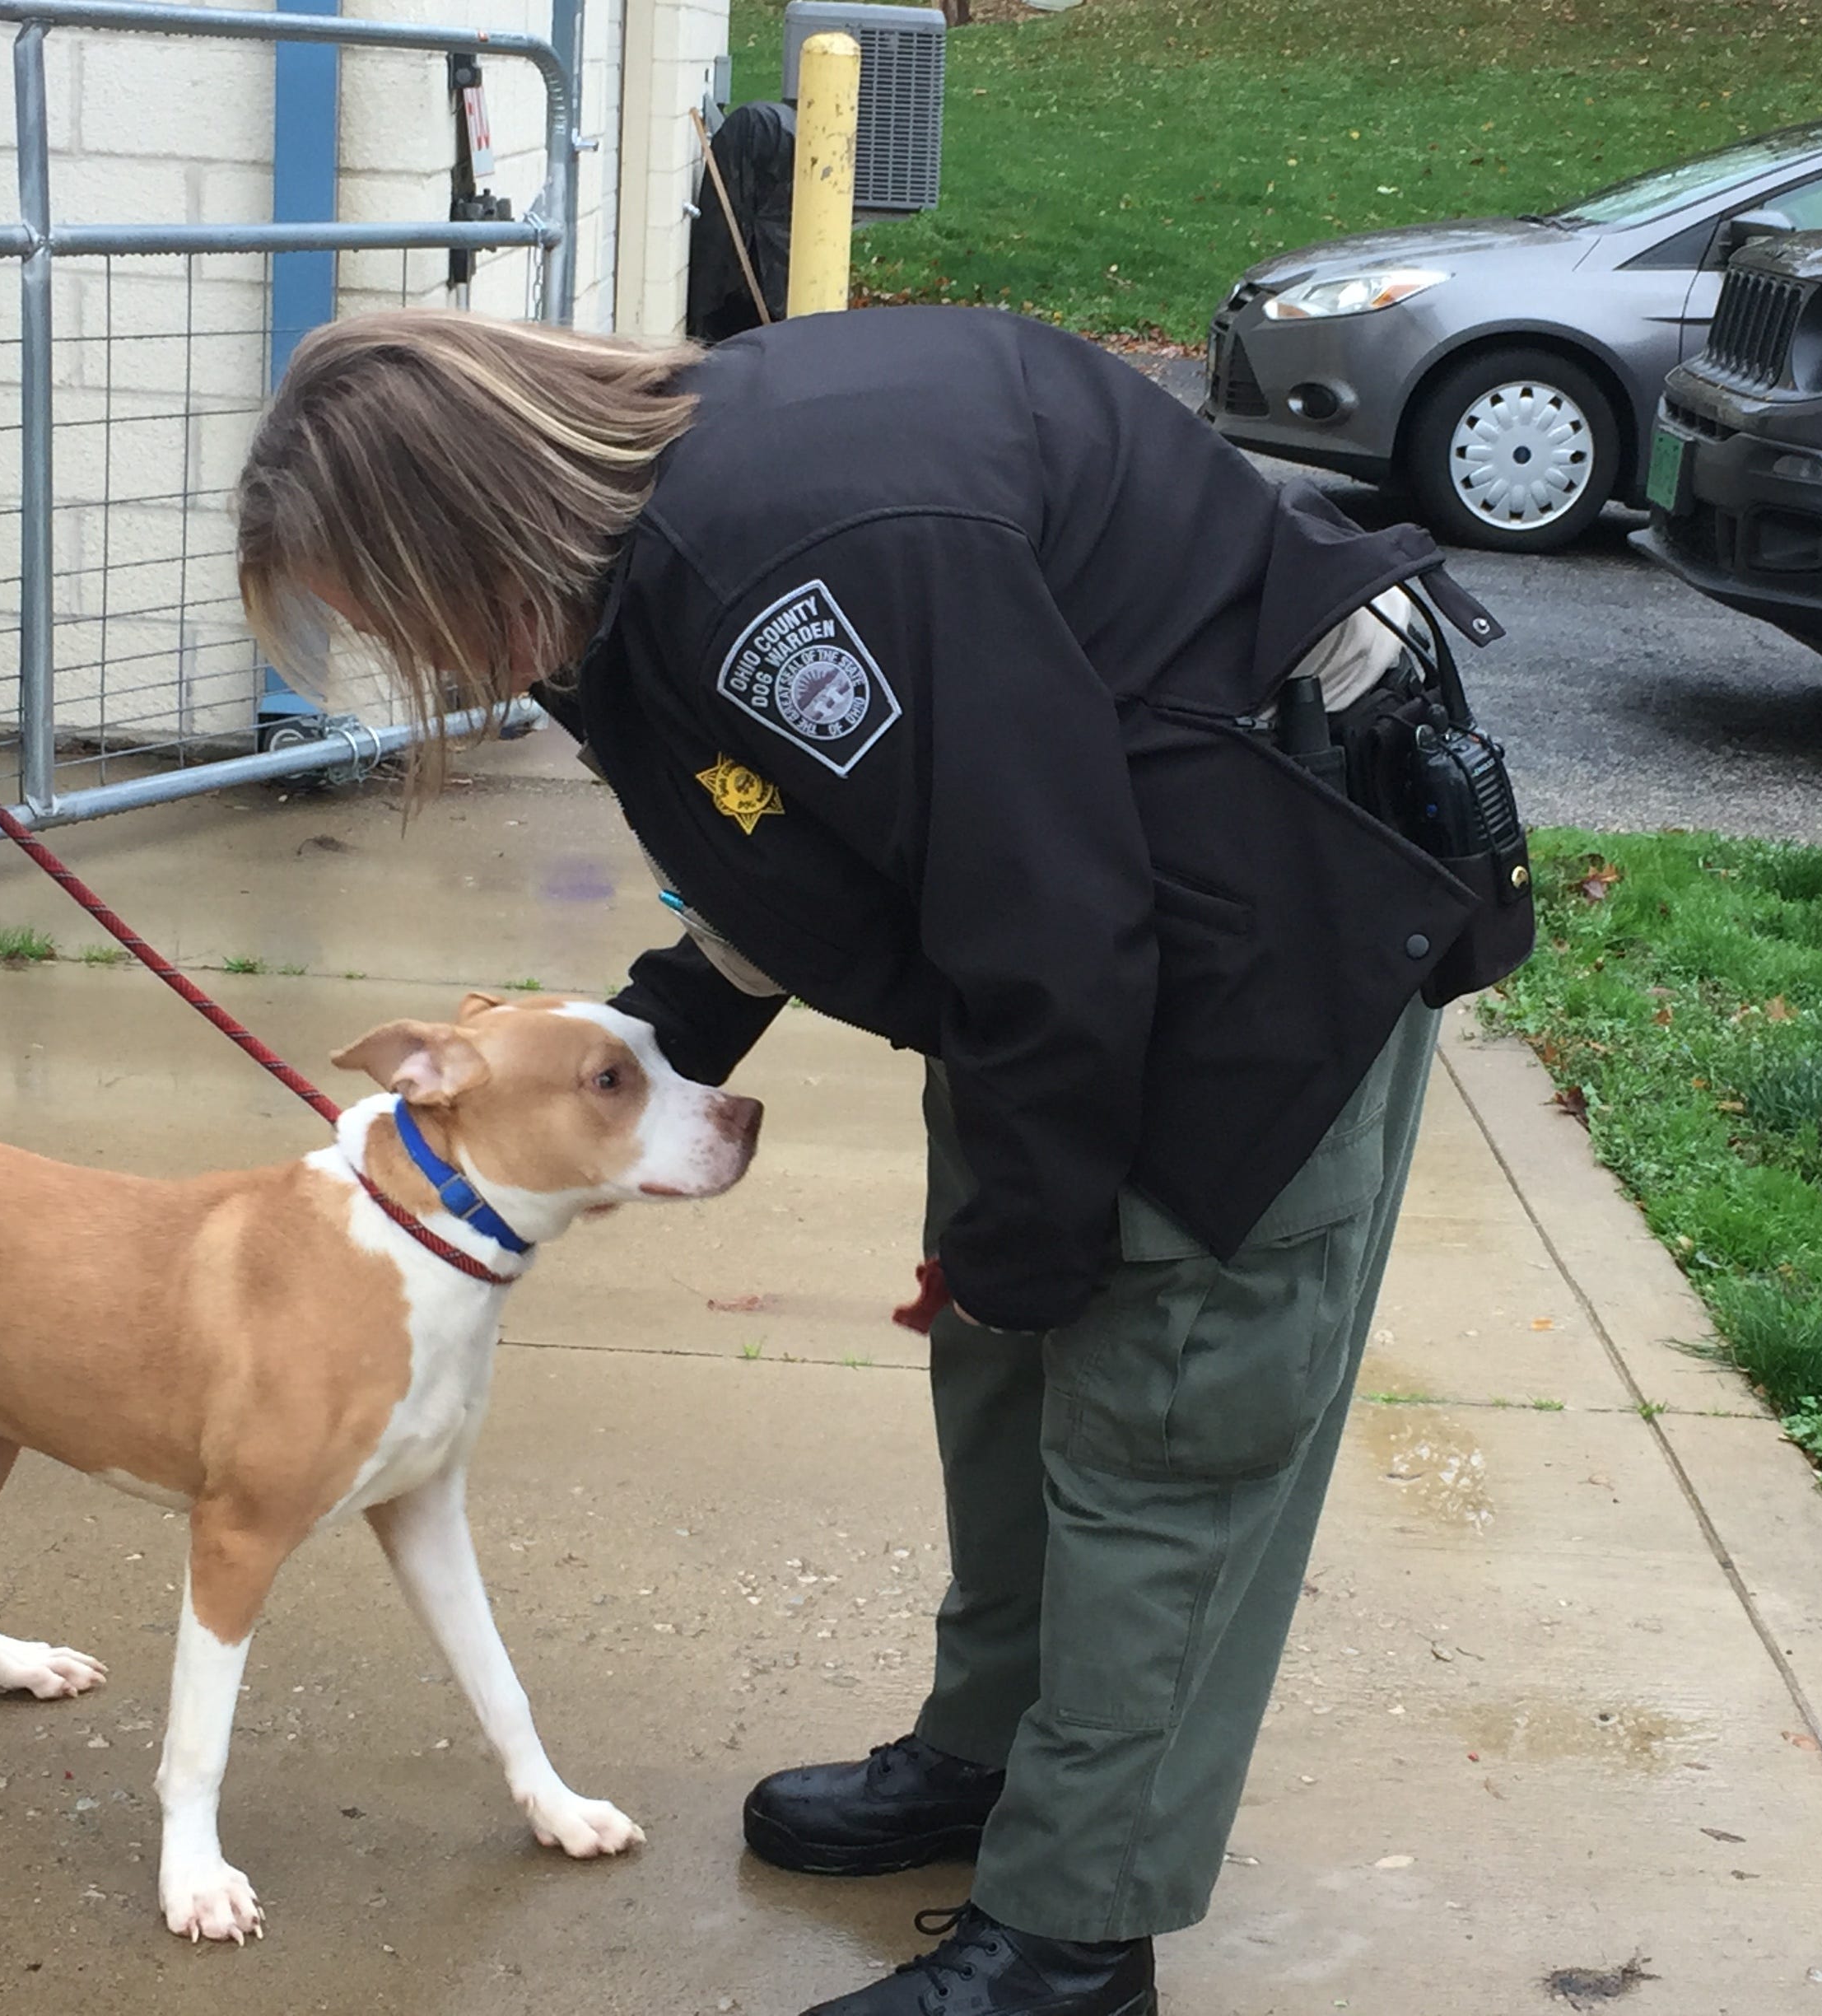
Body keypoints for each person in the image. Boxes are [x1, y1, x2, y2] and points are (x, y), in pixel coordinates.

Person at [235, 305, 1528, 2016]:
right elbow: (810, 837)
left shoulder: (799, 565)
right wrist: (647, 1044)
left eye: (388, 614)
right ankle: (994, 1757)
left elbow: (1055, 926)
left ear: (458, 533)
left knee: (1163, 1424)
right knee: (999, 1355)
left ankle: (1072, 1941)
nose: (410, 657)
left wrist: (1034, 1241)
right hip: (1081, 917)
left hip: (1262, 911)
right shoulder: (633, 570)